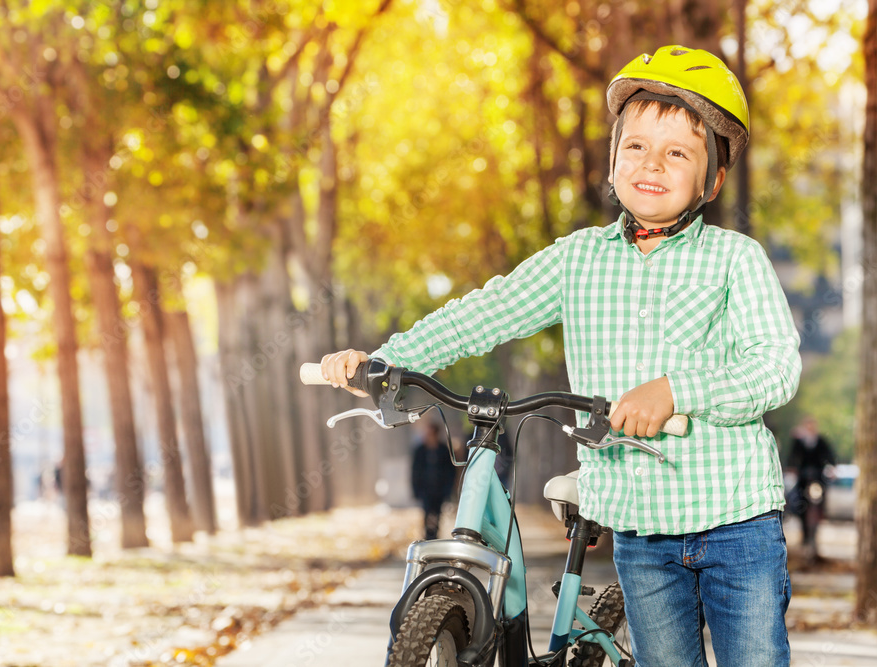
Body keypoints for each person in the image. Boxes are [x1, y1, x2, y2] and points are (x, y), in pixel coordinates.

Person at [320, 45, 801, 666]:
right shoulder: (578, 260)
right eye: (636, 146)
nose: (652, 164)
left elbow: (774, 367)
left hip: (735, 520)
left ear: (711, 177)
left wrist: (676, 391)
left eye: (677, 152)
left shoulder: (736, 260)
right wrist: (387, 361)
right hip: (642, 531)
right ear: (613, 158)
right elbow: (483, 312)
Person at [785, 416, 836, 553]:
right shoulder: (799, 441)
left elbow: (829, 456)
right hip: (803, 478)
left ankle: (819, 522)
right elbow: (792, 456)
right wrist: (792, 467)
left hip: (817, 478)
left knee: (820, 500)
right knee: (798, 501)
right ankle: (803, 530)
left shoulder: (820, 441)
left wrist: (831, 467)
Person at [410, 422, 457, 540]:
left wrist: (448, 488)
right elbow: (415, 472)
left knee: (437, 514)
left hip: (439, 490)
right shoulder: (420, 451)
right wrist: (416, 489)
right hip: (425, 489)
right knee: (427, 513)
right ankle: (427, 536)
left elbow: (450, 471)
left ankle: (435, 536)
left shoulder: (443, 450)